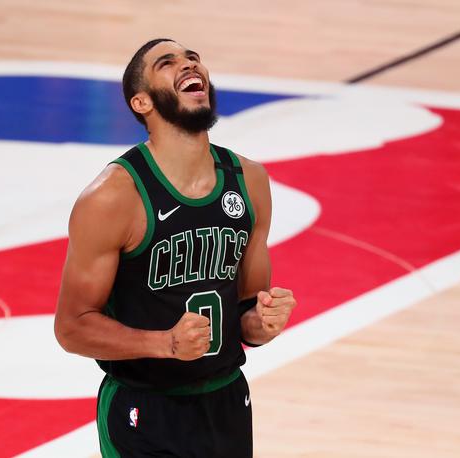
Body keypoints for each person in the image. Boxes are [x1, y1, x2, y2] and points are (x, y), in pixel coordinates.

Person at [54, 38, 297, 458]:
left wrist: (264, 321)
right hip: (144, 410)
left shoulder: (250, 180)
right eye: (167, 64)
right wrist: (165, 344)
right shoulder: (113, 197)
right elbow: (72, 327)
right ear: (143, 103)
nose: (189, 66)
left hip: (227, 401)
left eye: (193, 59)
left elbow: (244, 316)